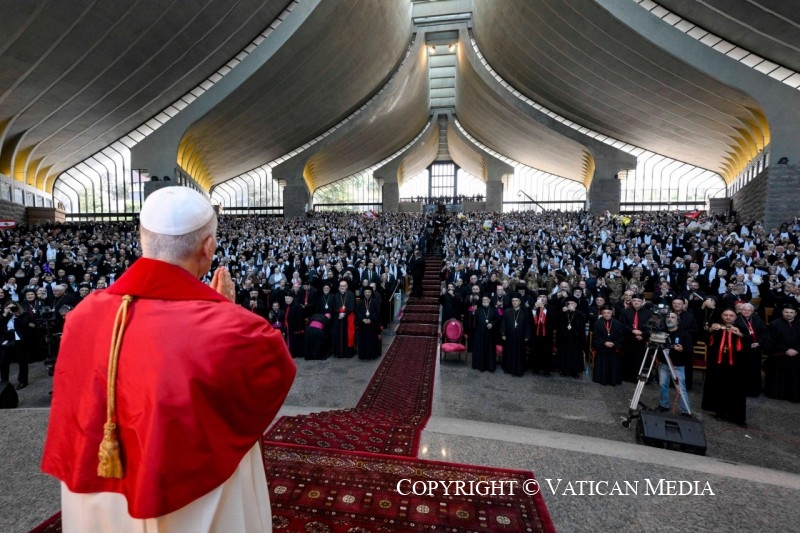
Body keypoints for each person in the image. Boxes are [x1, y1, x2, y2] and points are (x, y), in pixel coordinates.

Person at [41, 187, 296, 532]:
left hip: (100, 489)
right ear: (209, 247)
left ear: (144, 239)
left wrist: (218, 312)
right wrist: (226, 312)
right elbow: (268, 376)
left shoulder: (83, 314)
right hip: (192, 496)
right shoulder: (236, 329)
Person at [702, 308, 751, 427]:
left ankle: (738, 418)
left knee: (736, 392)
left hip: (736, 366)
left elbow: (749, 343)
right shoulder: (717, 327)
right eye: (726, 315)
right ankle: (720, 413)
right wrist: (710, 330)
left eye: (731, 315)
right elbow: (706, 340)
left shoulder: (741, 328)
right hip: (719, 365)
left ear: (735, 317)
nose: (728, 317)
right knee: (720, 388)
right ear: (722, 316)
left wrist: (739, 334)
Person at [656, 312, 693, 414]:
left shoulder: (684, 333)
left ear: (678, 320)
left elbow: (689, 349)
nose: (670, 319)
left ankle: (686, 411)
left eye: (673, 317)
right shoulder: (661, 332)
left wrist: (682, 349)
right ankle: (664, 405)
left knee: (680, 389)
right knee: (663, 385)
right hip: (663, 364)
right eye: (668, 317)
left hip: (678, 366)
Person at [764, 302, 800, 402]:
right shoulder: (774, 324)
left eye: (791, 312)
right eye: (786, 312)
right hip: (779, 354)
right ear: (782, 312)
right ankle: (778, 393)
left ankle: (793, 395)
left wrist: (797, 350)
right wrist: (786, 349)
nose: (788, 314)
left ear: (795, 313)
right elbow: (771, 340)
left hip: (797, 355)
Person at [591, 305, 624, 385]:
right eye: (604, 313)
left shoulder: (617, 323)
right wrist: (604, 342)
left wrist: (614, 343)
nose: (606, 314)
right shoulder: (597, 323)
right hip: (602, 348)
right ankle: (601, 379)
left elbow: (621, 337)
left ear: (612, 313)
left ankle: (613, 380)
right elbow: (595, 337)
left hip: (613, 349)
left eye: (608, 313)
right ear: (602, 313)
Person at [0, 300, 29, 389]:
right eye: (8, 308)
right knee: (3, 361)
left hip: (19, 340)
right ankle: (4, 382)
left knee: (22, 361)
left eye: (13, 307)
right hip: (7, 341)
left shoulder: (24, 315)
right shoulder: (4, 316)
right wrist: (5, 315)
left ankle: (22, 381)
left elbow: (24, 326)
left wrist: (16, 315)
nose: (10, 309)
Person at [556, 296, 586, 378]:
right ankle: (563, 370)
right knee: (563, 353)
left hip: (575, 338)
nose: (570, 305)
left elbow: (582, 324)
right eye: (568, 303)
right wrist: (562, 312)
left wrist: (575, 312)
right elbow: (557, 323)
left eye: (572, 303)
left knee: (575, 355)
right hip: (564, 337)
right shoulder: (563, 312)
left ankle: (574, 372)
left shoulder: (579, 314)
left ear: (576, 305)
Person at [500, 294, 530, 376]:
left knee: (520, 353)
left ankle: (520, 368)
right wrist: (503, 333)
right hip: (509, 336)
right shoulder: (507, 311)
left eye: (516, 301)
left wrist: (527, 335)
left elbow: (527, 325)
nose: (514, 302)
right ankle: (508, 368)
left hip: (520, 337)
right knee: (509, 352)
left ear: (520, 302)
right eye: (513, 301)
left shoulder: (524, 312)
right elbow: (503, 324)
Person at [469, 294, 500, 372]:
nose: (485, 301)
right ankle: (479, 365)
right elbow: (473, 322)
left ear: (489, 301)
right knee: (480, 348)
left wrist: (492, 324)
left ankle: (490, 366)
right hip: (479, 334)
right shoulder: (478, 310)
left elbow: (497, 320)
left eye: (486, 300)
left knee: (489, 349)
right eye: (483, 300)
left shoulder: (494, 310)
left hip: (490, 334)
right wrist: (473, 313)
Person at [356, 285, 382, 360]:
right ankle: (363, 355)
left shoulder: (375, 302)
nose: (367, 293)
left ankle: (372, 355)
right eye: (366, 292)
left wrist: (370, 319)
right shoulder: (360, 302)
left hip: (372, 324)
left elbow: (377, 312)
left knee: (372, 340)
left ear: (371, 293)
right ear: (363, 293)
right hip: (362, 324)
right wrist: (363, 319)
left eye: (369, 292)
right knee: (363, 340)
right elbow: (358, 312)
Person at [332, 280, 356, 358]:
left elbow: (352, 306)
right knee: (338, 335)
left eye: (344, 285)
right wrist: (339, 313)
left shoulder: (351, 294)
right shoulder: (336, 295)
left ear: (347, 286)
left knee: (347, 335)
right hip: (338, 318)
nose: (342, 287)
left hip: (348, 318)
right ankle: (339, 352)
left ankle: (347, 353)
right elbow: (334, 306)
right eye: (341, 286)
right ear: (339, 287)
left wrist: (345, 313)